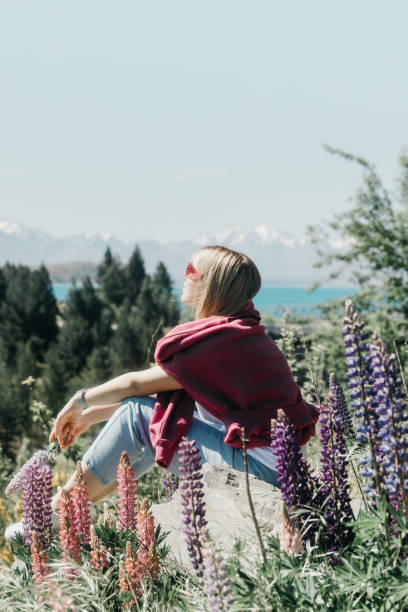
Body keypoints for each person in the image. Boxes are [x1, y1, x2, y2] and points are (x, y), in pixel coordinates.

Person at [6, 245, 319, 537]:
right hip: (275, 467)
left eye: (191, 270)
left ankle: (52, 515)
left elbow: (135, 385)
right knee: (148, 418)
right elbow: (168, 401)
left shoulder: (221, 341)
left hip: (263, 472)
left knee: (138, 417)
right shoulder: (238, 332)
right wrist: (91, 416)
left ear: (213, 284)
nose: (184, 277)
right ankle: (68, 515)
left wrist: (78, 401)